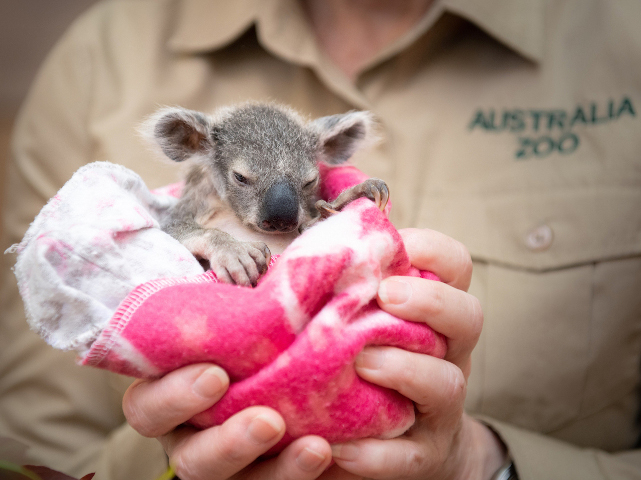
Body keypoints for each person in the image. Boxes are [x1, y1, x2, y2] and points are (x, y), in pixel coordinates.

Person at [1, 0, 640, 479]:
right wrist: (180, 458)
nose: (278, 213)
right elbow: (40, 448)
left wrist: (479, 466)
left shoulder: (622, 40)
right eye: (246, 181)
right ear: (191, 146)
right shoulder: (105, 56)